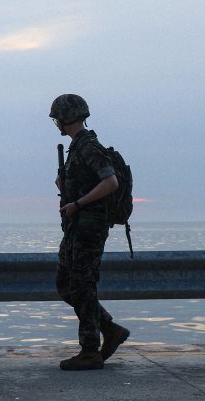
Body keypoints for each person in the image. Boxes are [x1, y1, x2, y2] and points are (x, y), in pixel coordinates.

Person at [50, 93, 130, 371]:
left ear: (67, 117)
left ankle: (90, 351)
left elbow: (111, 182)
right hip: (76, 228)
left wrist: (77, 204)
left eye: (57, 118)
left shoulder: (88, 147)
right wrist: (65, 185)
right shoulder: (77, 148)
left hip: (89, 228)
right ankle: (110, 328)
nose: (56, 123)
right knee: (65, 283)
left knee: (82, 285)